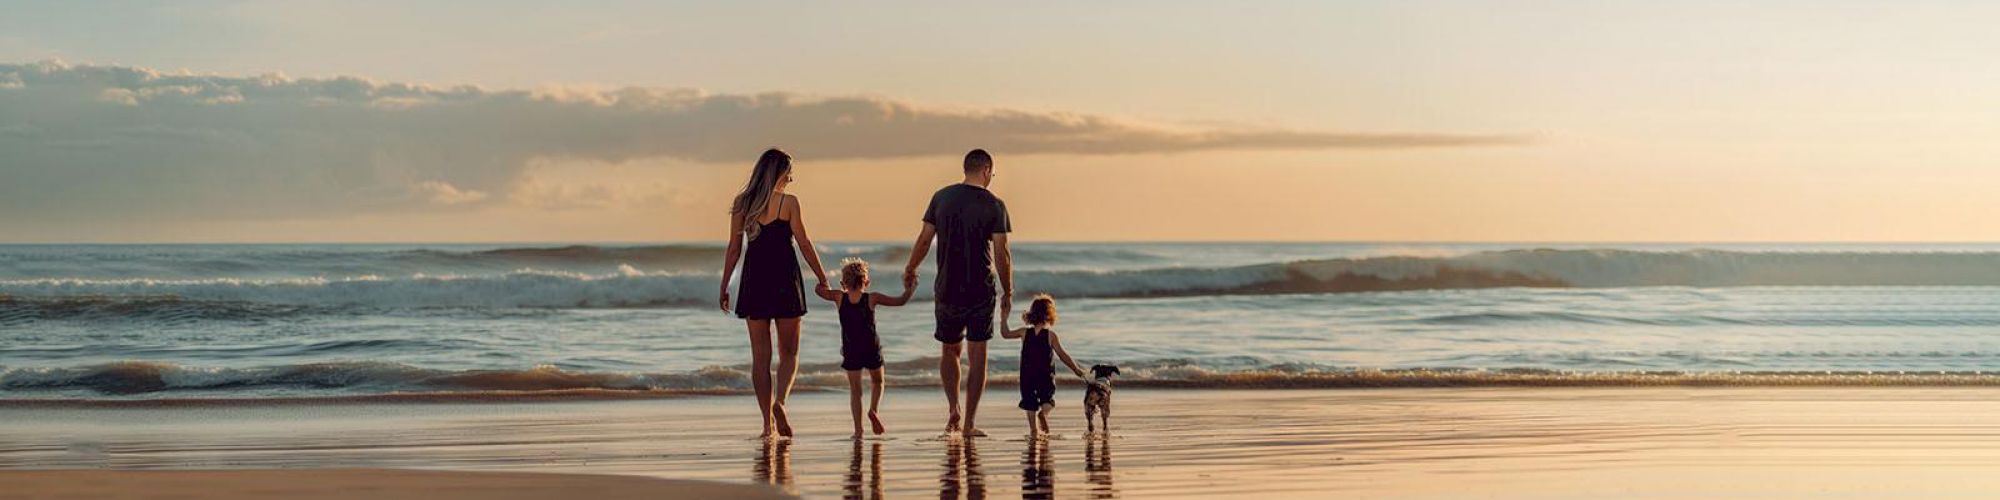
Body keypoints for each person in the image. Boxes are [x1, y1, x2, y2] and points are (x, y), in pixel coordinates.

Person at [719, 148, 830, 439]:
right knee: (789, 352)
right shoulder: (789, 203)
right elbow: (805, 243)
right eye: (790, 171)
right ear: (781, 172)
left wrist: (724, 285)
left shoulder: (743, 203)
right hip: (785, 279)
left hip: (754, 281)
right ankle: (780, 403)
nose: (792, 177)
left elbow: (733, 249)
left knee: (760, 358)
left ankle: (767, 425)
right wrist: (822, 277)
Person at [902, 149, 1013, 438]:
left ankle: (953, 408)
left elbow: (925, 239)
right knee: (978, 356)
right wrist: (1008, 289)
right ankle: (968, 424)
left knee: (950, 350)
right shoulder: (995, 204)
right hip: (980, 288)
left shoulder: (941, 197)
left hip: (947, 286)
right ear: (986, 170)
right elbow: (1001, 253)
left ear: (967, 168)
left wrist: (911, 267)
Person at [813, 258, 915, 439]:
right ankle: (873, 410)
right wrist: (910, 288)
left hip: (851, 349)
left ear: (844, 283)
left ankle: (858, 431)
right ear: (866, 282)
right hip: (871, 348)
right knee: (878, 382)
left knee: (855, 391)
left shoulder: (838, 296)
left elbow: (819, 291)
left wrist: (822, 282)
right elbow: (900, 301)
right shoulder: (872, 298)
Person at [1000, 294, 1086, 440]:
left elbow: (1005, 334)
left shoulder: (1024, 332)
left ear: (1032, 313)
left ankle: (1034, 430)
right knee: (1047, 399)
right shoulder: (1050, 335)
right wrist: (1076, 369)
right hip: (1045, 375)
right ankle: (1043, 414)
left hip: (1027, 375)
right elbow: (1062, 355)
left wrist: (1004, 317)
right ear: (1050, 314)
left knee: (1029, 401)